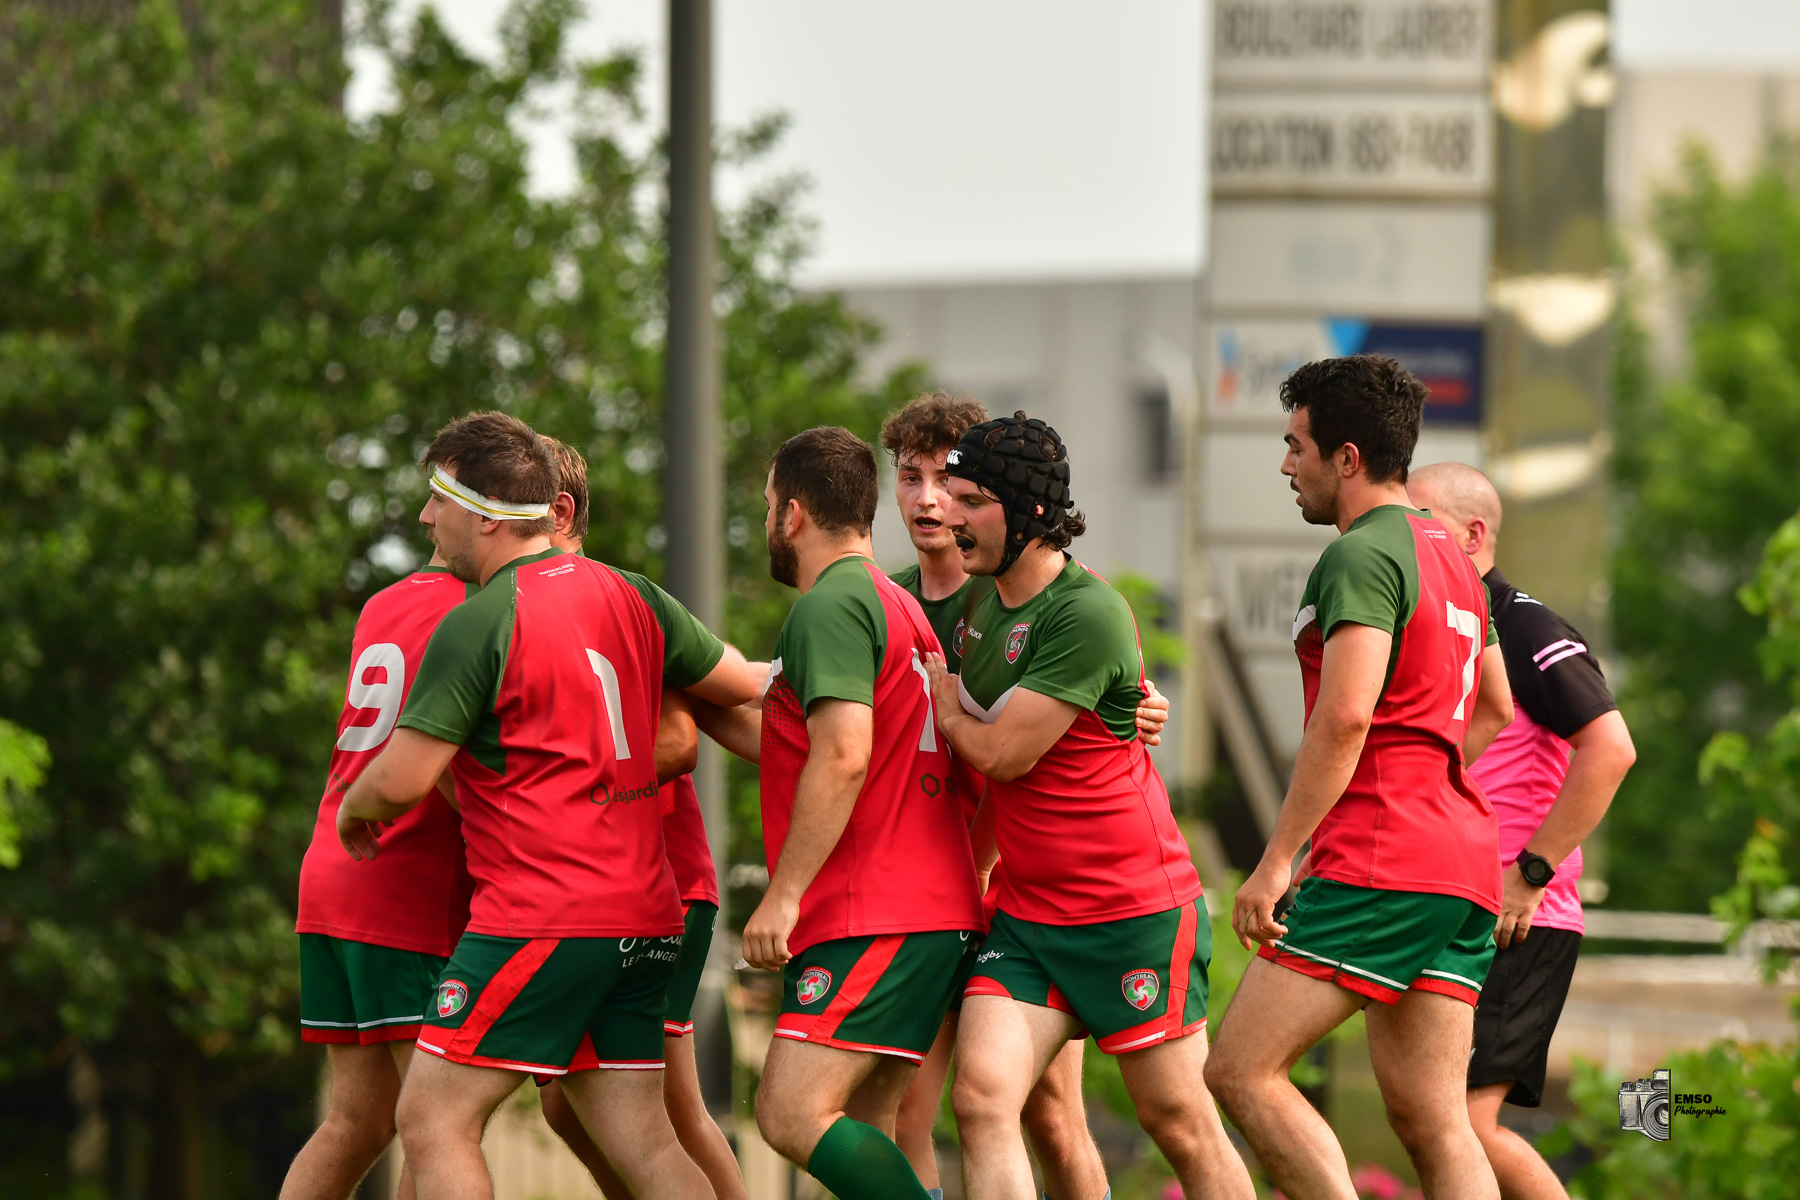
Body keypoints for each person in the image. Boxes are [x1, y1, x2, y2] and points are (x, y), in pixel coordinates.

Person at [335, 411, 761, 1200]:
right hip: (644, 916)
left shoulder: (481, 621)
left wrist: (352, 810)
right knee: (647, 1142)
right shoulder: (631, 592)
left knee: (432, 1120)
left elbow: (400, 780)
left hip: (543, 914)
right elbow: (745, 687)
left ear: (491, 511)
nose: (429, 518)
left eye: (441, 499)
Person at [1203, 356, 1513, 1200]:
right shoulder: (1449, 557)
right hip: (1461, 861)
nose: (1284, 465)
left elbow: (1345, 717)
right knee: (1435, 1120)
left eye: (1295, 445)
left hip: (1386, 854)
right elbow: (1493, 707)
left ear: (1346, 458)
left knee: (1239, 1071)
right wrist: (1428, 774)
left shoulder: (1361, 557)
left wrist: (1277, 860)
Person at [922, 412, 1253, 1200]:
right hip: (1031, 918)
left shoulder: (1087, 612)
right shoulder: (979, 602)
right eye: (946, 495)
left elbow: (1004, 755)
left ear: (1028, 511)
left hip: (1130, 909)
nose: (950, 516)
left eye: (969, 500)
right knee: (981, 1101)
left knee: (1178, 1122)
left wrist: (946, 709)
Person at [880, 391, 1171, 1200]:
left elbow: (1097, 712)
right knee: (934, 1106)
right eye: (913, 477)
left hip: (1046, 887)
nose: (934, 499)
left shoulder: (1053, 599)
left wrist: (1143, 710)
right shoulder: (885, 600)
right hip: (935, 887)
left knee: (1055, 1116)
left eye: (955, 482)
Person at [734, 425, 986, 1200]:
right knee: (871, 1125)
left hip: (875, 911)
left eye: (770, 503)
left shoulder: (831, 605)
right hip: (930, 908)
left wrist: (782, 894)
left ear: (795, 514)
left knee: (787, 1112)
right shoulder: (896, 604)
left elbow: (843, 754)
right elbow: (824, 748)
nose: (769, 519)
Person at [1407, 463, 1636, 1200]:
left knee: (1468, 1125)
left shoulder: (1526, 623)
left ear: (1474, 533)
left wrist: (1529, 873)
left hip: (1517, 917)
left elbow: (1612, 750)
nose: (1402, 533)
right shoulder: (1445, 620)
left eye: (1419, 515)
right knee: (1429, 1120)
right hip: (1454, 906)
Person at [530, 437, 749, 1200]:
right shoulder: (527, 609)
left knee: (672, 1107)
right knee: (567, 1104)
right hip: (604, 892)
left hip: (665, 883)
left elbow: (678, 740)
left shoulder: (620, 601)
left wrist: (552, 780)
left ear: (555, 512)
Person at [282, 553, 474, 1200]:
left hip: (332, 868)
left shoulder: (385, 602)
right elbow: (440, 754)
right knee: (438, 1123)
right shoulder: (479, 608)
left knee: (356, 1120)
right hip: (400, 881)